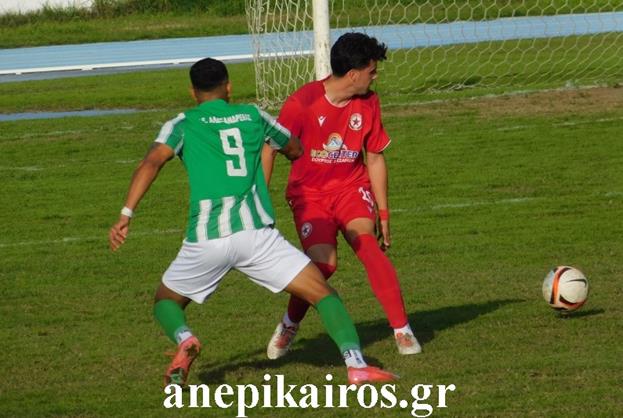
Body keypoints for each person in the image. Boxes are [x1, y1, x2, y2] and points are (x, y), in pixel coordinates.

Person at [108, 57, 396, 387]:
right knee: (323, 294)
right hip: (256, 235)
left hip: (207, 238)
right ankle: (356, 365)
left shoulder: (182, 124)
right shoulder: (252, 116)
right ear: (229, 87)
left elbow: (150, 163)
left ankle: (185, 339)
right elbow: (294, 148)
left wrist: (126, 215)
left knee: (166, 301)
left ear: (192, 92)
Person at [263, 33, 421, 359]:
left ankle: (402, 330)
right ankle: (290, 322)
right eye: (371, 71)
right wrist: (261, 201)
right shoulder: (302, 103)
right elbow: (269, 148)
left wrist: (384, 213)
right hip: (309, 195)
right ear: (352, 74)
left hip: (351, 187)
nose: (375, 77)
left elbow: (374, 156)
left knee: (368, 245)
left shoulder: (369, 102)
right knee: (324, 265)